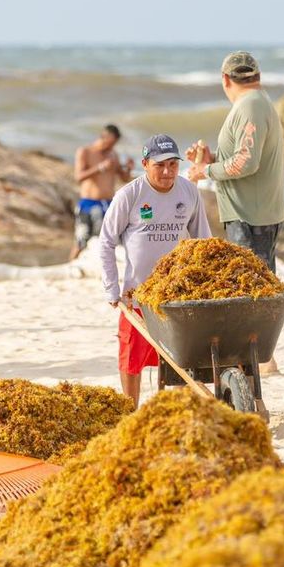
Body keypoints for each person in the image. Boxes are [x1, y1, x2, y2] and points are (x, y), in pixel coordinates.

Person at [99, 134, 211, 407]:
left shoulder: (188, 192)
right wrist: (111, 288)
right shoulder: (129, 195)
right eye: (160, 165)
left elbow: (204, 243)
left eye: (173, 165)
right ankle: (129, 411)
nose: (167, 172)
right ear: (145, 164)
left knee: (180, 357)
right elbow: (106, 242)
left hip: (177, 293)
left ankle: (177, 410)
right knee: (131, 357)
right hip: (136, 294)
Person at [185, 51, 284, 272]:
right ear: (257, 76)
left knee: (252, 286)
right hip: (252, 213)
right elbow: (244, 157)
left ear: (225, 79)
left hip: (250, 217)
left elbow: (246, 163)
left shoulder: (250, 106)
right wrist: (212, 158)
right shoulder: (256, 102)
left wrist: (206, 170)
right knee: (256, 283)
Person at [71, 124, 133, 259]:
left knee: (108, 241)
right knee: (82, 240)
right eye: (109, 144)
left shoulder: (113, 155)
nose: (111, 147)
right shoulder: (85, 152)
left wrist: (128, 168)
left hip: (108, 204)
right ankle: (71, 265)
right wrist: (99, 168)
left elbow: (124, 178)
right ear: (103, 137)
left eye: (114, 144)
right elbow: (78, 177)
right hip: (89, 203)